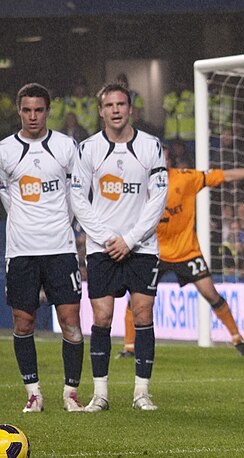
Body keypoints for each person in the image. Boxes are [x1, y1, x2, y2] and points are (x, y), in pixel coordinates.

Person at [117, 160, 244, 358]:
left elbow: (223, 175)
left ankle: (237, 337)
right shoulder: (136, 186)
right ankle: (129, 347)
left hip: (186, 251)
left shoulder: (186, 178)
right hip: (153, 251)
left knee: (210, 293)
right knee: (138, 298)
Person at [70, 82, 168, 412]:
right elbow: (78, 199)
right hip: (102, 247)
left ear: (130, 109)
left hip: (141, 247)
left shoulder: (151, 147)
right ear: (101, 111)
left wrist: (130, 239)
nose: (115, 110)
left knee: (142, 314)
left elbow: (158, 200)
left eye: (121, 104)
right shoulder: (88, 149)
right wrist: (107, 237)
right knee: (102, 318)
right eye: (109, 105)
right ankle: (101, 394)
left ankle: (142, 393)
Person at [0, 83, 86, 413]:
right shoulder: (6, 150)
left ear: (49, 111)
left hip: (60, 248)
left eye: (39, 110)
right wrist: (23, 220)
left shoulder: (66, 147)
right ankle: (33, 394)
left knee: (71, 321)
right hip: (21, 250)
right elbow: (5, 194)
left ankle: (71, 393)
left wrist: (66, 225)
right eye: (27, 110)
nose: (33, 116)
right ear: (19, 111)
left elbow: (76, 193)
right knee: (23, 323)